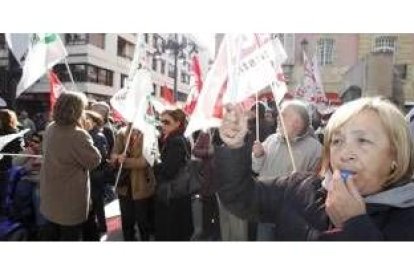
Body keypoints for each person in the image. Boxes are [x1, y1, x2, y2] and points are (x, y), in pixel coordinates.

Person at [216, 97, 414, 241]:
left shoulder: (406, 219)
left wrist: (355, 225)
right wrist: (234, 148)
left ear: (395, 156)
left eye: (362, 140)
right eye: (337, 140)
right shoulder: (299, 188)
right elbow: (241, 197)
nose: (345, 153)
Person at [252, 100, 322, 240]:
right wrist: (257, 156)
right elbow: (256, 168)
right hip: (265, 211)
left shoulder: (315, 149)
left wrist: (301, 180)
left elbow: (319, 185)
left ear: (297, 122)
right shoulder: (270, 140)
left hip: (293, 217)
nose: (278, 117)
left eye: (283, 114)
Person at [39, 91, 101, 241]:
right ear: (77, 110)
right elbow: (95, 160)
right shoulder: (78, 134)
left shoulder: (50, 127)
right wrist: (84, 132)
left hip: (50, 196)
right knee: (70, 237)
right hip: (69, 201)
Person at [154, 109, 193, 241]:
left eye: (166, 122)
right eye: (161, 121)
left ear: (178, 123)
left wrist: (154, 163)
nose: (163, 125)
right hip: (180, 193)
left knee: (172, 233)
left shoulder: (175, 141)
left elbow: (168, 171)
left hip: (173, 195)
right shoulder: (180, 138)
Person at [111, 124, 156, 241]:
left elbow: (144, 161)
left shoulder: (150, 133)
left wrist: (123, 161)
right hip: (124, 186)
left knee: (143, 222)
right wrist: (117, 158)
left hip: (142, 185)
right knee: (126, 222)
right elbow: (113, 157)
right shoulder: (121, 133)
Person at [82, 110, 109, 240]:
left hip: (96, 175)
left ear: (93, 121)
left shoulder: (98, 136)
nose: (84, 121)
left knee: (97, 203)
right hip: (91, 174)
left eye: (87, 118)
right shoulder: (86, 134)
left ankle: (102, 226)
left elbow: (102, 156)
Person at [0, 109, 25, 215]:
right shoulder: (15, 133)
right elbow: (20, 150)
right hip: (6, 166)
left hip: (4, 165)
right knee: (4, 191)